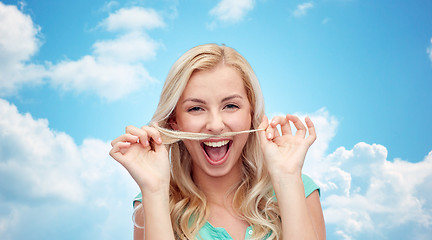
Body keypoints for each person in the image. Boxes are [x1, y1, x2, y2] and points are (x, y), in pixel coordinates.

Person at [109, 44, 326, 240]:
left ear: (251, 113)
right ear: (174, 122)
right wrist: (155, 191)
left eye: (230, 106)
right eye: (196, 108)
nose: (215, 125)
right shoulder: (152, 199)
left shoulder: (300, 187)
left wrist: (288, 179)